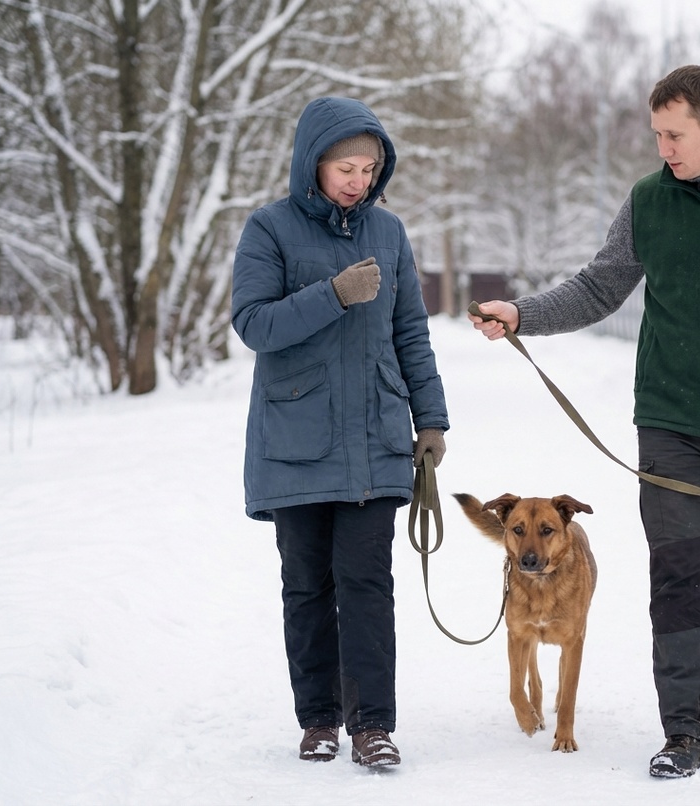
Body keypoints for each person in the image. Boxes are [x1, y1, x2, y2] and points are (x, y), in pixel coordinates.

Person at [469, 65, 700, 778]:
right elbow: (599, 285)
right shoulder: (649, 200)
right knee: (676, 575)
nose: (663, 148)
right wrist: (523, 314)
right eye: (656, 135)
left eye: (674, 135)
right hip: (670, 423)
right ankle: (685, 728)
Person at [231, 96, 449, 769]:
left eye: (369, 167)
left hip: (374, 438)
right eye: (345, 166)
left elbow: (410, 331)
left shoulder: (389, 233)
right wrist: (332, 294)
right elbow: (254, 325)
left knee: (366, 583)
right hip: (296, 440)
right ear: (312, 163)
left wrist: (432, 417)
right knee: (306, 586)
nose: (358, 179)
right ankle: (319, 719)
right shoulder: (269, 229)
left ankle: (373, 726)